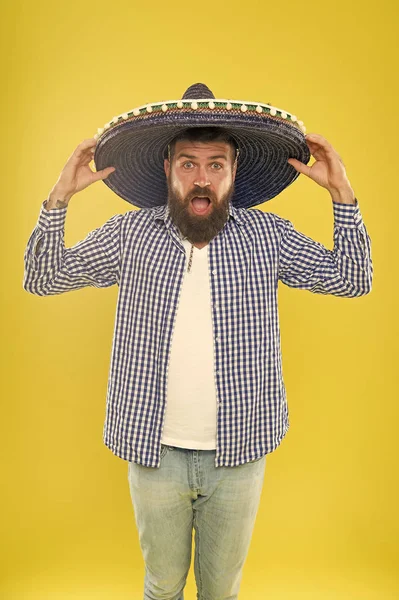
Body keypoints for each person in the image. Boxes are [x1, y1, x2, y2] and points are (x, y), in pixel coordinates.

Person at [23, 83, 373, 600]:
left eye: (215, 164)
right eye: (188, 163)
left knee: (221, 590)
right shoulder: (130, 235)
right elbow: (43, 276)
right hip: (153, 449)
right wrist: (59, 198)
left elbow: (352, 277)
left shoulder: (266, 236)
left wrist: (341, 193)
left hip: (240, 449)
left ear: (234, 173)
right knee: (162, 586)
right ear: (167, 169)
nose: (201, 177)